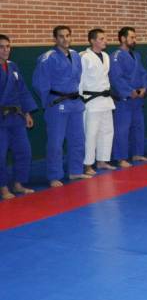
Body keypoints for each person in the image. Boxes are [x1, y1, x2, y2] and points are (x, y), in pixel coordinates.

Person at [33, 26, 88, 187]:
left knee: (78, 139)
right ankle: (54, 175)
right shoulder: (48, 57)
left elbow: (78, 77)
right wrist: (49, 103)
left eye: (68, 35)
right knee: (56, 142)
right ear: (55, 39)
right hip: (57, 103)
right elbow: (40, 83)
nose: (65, 39)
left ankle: (75, 170)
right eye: (61, 36)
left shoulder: (75, 55)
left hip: (75, 102)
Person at [0, 34, 36, 200]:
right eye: (1, 47)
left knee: (24, 151)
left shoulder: (13, 66)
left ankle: (18, 183)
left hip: (16, 117)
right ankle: (3, 187)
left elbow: (22, 91)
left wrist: (27, 112)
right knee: (1, 155)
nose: (5, 50)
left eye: (8, 46)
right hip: (1, 118)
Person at [110, 27, 147, 168]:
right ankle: (121, 158)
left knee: (138, 127)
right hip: (124, 99)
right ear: (123, 38)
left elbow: (143, 73)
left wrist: (145, 87)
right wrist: (129, 91)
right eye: (132, 37)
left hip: (138, 97)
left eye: (135, 37)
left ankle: (137, 153)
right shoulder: (116, 56)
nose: (134, 40)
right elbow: (116, 77)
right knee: (122, 129)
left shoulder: (136, 55)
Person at [79, 28, 116, 176]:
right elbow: (80, 80)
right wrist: (80, 99)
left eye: (105, 38)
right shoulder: (84, 57)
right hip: (91, 101)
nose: (105, 41)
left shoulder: (106, 56)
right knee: (90, 134)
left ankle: (102, 160)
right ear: (92, 41)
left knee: (107, 131)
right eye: (101, 39)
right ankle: (87, 164)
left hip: (106, 99)